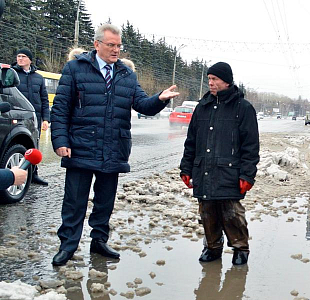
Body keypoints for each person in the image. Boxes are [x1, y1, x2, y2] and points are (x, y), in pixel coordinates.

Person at [50, 23, 179, 266]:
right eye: (111, 45)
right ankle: (67, 245)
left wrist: (159, 99)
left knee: (105, 201)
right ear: (97, 44)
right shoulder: (75, 69)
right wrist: (60, 140)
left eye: (119, 45)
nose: (116, 50)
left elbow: (142, 105)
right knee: (74, 202)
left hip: (113, 148)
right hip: (80, 146)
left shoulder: (126, 74)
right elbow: (60, 109)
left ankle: (99, 241)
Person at [179, 62, 259, 266]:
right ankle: (213, 247)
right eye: (209, 79)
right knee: (207, 212)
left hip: (229, 172)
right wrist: (186, 168)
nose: (211, 83)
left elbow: (251, 146)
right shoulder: (202, 107)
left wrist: (247, 175)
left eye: (214, 79)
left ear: (227, 81)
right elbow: (191, 141)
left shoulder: (243, 108)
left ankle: (240, 248)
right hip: (204, 169)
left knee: (232, 213)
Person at [12, 48, 50, 186]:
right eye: (18, 56)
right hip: (17, 115)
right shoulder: (12, 73)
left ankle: (33, 174)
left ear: (30, 59)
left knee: (34, 146)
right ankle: (15, 173)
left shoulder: (38, 78)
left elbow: (44, 100)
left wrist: (46, 119)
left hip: (35, 118)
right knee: (18, 145)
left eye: (23, 56)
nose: (20, 59)